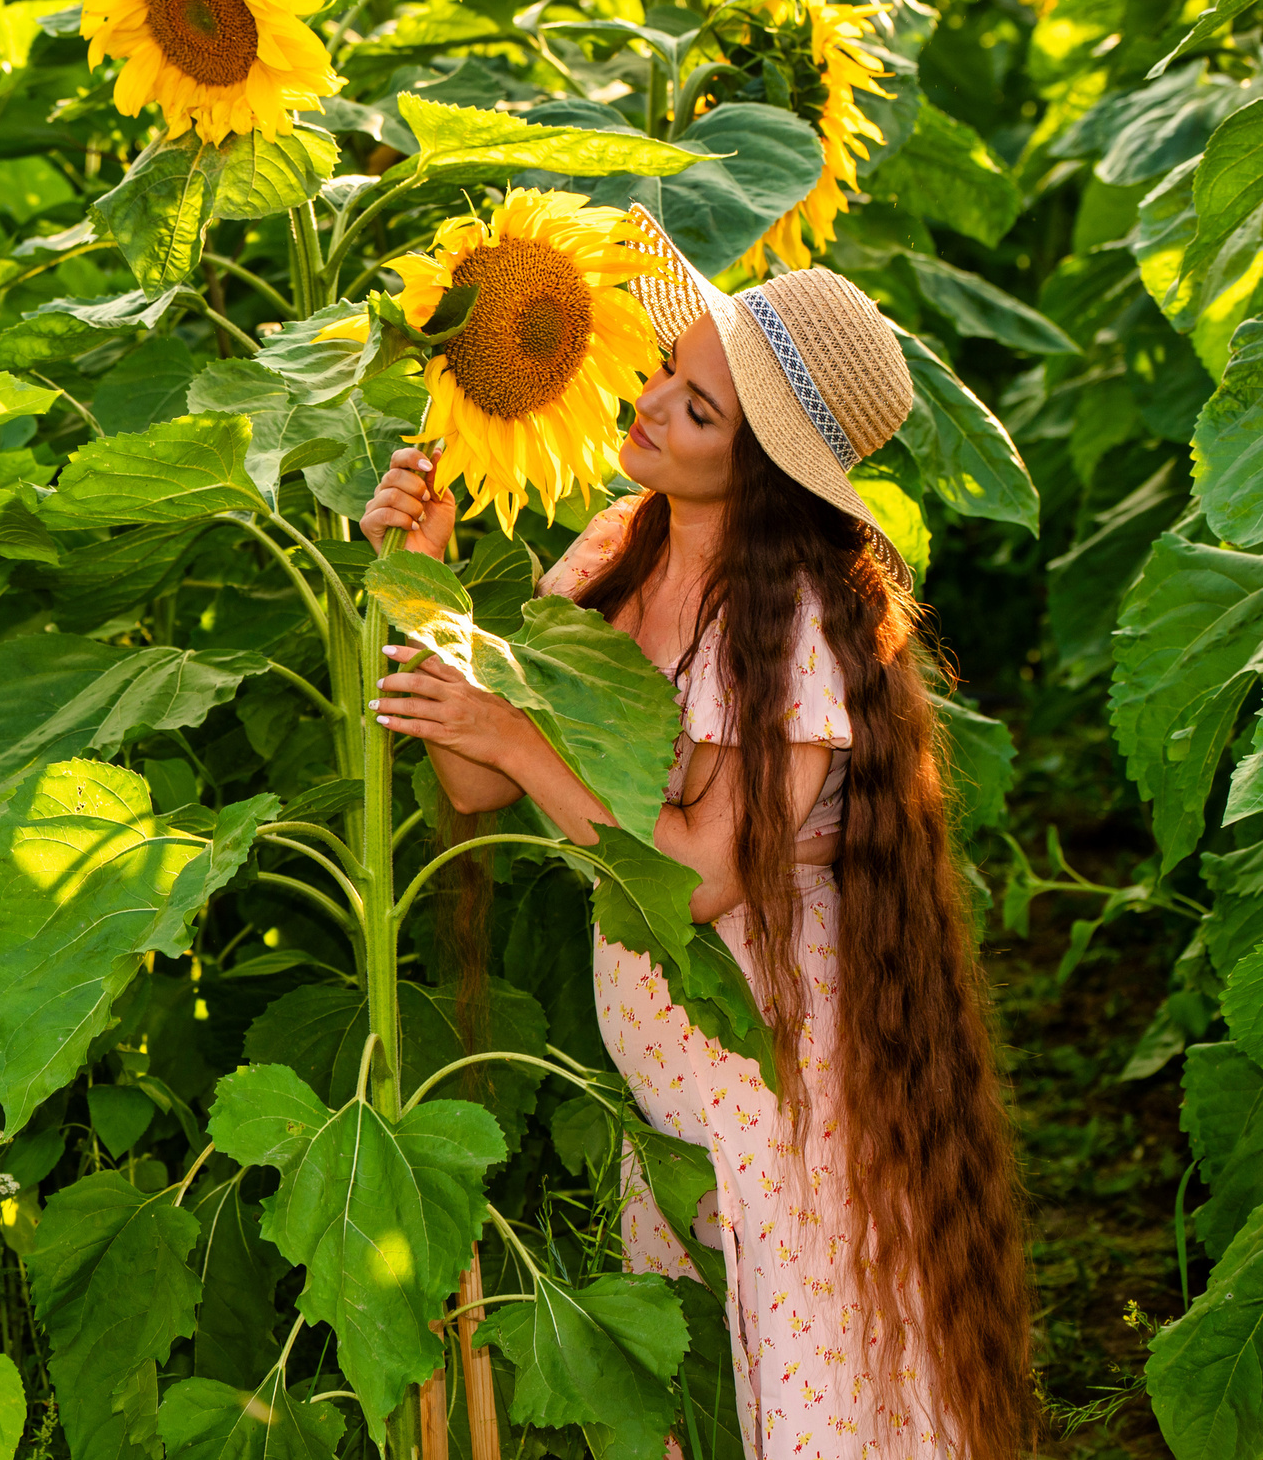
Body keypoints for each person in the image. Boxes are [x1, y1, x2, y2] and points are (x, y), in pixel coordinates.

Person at [358, 210, 1031, 1460]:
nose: (656, 402)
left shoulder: (802, 627)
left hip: (776, 1071)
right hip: (672, 1072)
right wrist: (423, 573)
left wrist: (517, 740)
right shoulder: (621, 548)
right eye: (672, 371)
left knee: (799, 1377)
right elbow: (470, 783)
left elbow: (710, 875)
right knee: (701, 1378)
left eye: (702, 409)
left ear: (766, 469)